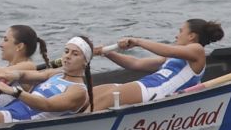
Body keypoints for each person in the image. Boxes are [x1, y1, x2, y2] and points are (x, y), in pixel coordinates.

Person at [91, 19, 223, 109]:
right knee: (92, 94)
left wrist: (137, 41)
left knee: (105, 98)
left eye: (181, 31)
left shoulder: (197, 50)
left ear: (191, 36)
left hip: (156, 93)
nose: (177, 36)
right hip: (147, 87)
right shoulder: (169, 58)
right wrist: (106, 53)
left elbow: (169, 50)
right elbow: (136, 64)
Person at [0, 36, 96, 120]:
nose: (67, 56)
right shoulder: (56, 73)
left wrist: (15, 91)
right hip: (15, 108)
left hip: (24, 118)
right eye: (66, 51)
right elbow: (27, 75)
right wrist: (15, 74)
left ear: (85, 62)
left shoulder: (78, 90)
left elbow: (47, 104)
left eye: (75, 54)